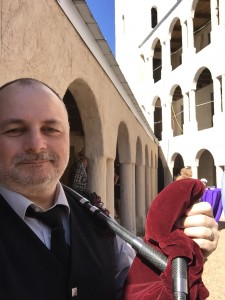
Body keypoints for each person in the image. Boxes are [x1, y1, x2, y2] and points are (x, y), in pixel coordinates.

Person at [0, 78, 219, 300]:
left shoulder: (96, 217)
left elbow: (137, 288)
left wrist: (183, 254)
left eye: (51, 129)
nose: (37, 144)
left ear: (67, 136)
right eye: (15, 130)